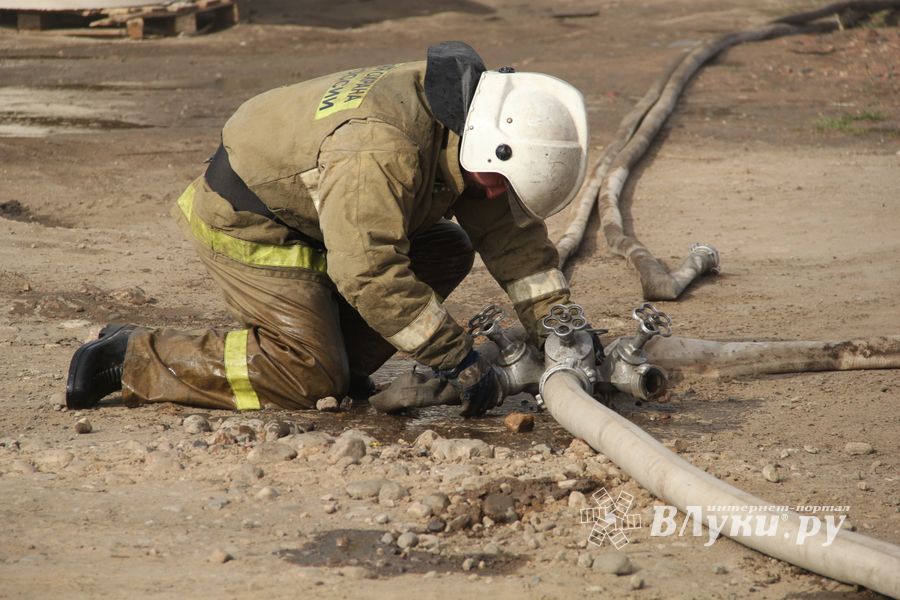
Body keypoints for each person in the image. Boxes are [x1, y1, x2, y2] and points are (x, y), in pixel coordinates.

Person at [65, 41, 589, 417]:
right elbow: (368, 271)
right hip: (253, 224)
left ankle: (331, 357)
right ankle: (130, 356)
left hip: (326, 216)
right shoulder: (380, 149)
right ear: (485, 146)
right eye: (497, 183)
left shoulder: (473, 120)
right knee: (309, 376)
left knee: (446, 249)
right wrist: (457, 358)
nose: (496, 195)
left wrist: (561, 329)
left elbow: (515, 243)